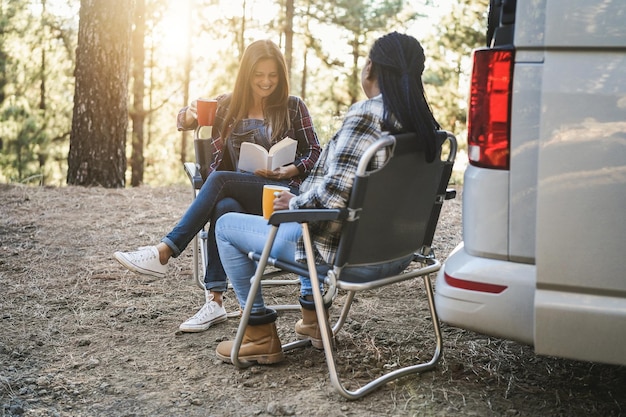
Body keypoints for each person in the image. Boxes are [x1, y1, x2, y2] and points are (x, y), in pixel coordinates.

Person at [213, 31, 441, 365]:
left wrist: (294, 204)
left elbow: (331, 199)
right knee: (305, 214)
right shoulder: (426, 127)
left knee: (225, 225)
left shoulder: (367, 115)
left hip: (347, 256)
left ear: (371, 69)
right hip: (398, 254)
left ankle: (259, 334)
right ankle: (312, 322)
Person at [113, 39, 321, 333]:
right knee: (223, 206)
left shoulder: (293, 106)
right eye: (258, 75)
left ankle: (164, 251)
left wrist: (290, 168)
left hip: (280, 194)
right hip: (238, 190)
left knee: (220, 180)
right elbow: (183, 119)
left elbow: (314, 150)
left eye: (273, 75)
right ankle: (215, 302)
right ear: (246, 74)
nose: (266, 82)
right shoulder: (228, 105)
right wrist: (189, 115)